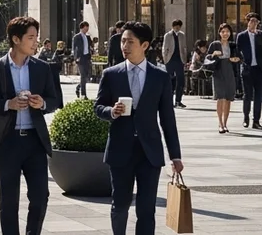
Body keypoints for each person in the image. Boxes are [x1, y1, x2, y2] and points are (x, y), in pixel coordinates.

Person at [0, 16, 63, 235]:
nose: (35, 42)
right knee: (9, 199)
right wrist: (8, 104)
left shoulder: (42, 68)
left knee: (41, 196)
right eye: (31, 37)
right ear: (16, 39)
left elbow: (54, 100)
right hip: (7, 141)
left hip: (35, 141)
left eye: (36, 37)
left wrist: (42, 103)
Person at [94, 21, 183, 235]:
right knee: (120, 205)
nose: (124, 46)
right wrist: (111, 111)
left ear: (144, 45)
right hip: (120, 149)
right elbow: (98, 107)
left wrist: (175, 156)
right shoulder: (111, 74)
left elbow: (168, 119)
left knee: (146, 209)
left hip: (149, 152)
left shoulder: (160, 77)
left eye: (130, 42)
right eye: (123, 41)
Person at [236, 12, 262, 129]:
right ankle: (246, 118)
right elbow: (237, 51)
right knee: (247, 95)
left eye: (256, 21)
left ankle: (256, 121)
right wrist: (241, 62)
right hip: (247, 68)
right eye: (252, 21)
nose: (254, 23)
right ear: (247, 22)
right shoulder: (241, 36)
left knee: (258, 96)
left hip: (259, 69)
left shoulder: (261, 35)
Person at [205, 24, 239, 133]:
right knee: (221, 97)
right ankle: (220, 123)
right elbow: (207, 58)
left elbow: (239, 57)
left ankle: (225, 123)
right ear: (219, 33)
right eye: (223, 31)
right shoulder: (214, 44)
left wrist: (236, 59)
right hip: (218, 71)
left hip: (229, 71)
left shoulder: (233, 45)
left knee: (228, 98)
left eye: (227, 32)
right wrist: (213, 54)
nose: (225, 34)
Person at [160, 20, 188, 108]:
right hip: (170, 60)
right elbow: (165, 48)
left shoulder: (182, 35)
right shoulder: (167, 35)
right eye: (175, 26)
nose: (177, 28)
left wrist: (185, 59)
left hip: (180, 60)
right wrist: (165, 59)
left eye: (179, 26)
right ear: (172, 26)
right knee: (170, 81)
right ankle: (169, 101)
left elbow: (184, 48)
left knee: (181, 81)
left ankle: (178, 101)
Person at [72, 21, 93, 98]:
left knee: (87, 76)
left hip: (87, 57)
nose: (86, 30)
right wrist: (76, 58)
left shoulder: (87, 37)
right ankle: (83, 94)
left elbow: (91, 45)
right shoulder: (76, 37)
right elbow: (74, 48)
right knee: (83, 75)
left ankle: (78, 87)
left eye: (87, 28)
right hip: (80, 58)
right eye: (85, 28)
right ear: (81, 28)